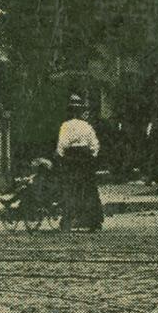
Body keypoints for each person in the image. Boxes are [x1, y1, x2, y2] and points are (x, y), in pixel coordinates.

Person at [57, 94, 102, 231]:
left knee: (70, 188)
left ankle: (67, 221)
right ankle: (93, 221)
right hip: (85, 160)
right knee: (88, 188)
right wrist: (91, 158)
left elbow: (62, 145)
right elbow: (95, 146)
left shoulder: (66, 126)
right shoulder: (86, 126)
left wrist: (61, 158)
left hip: (71, 160)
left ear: (70, 112)